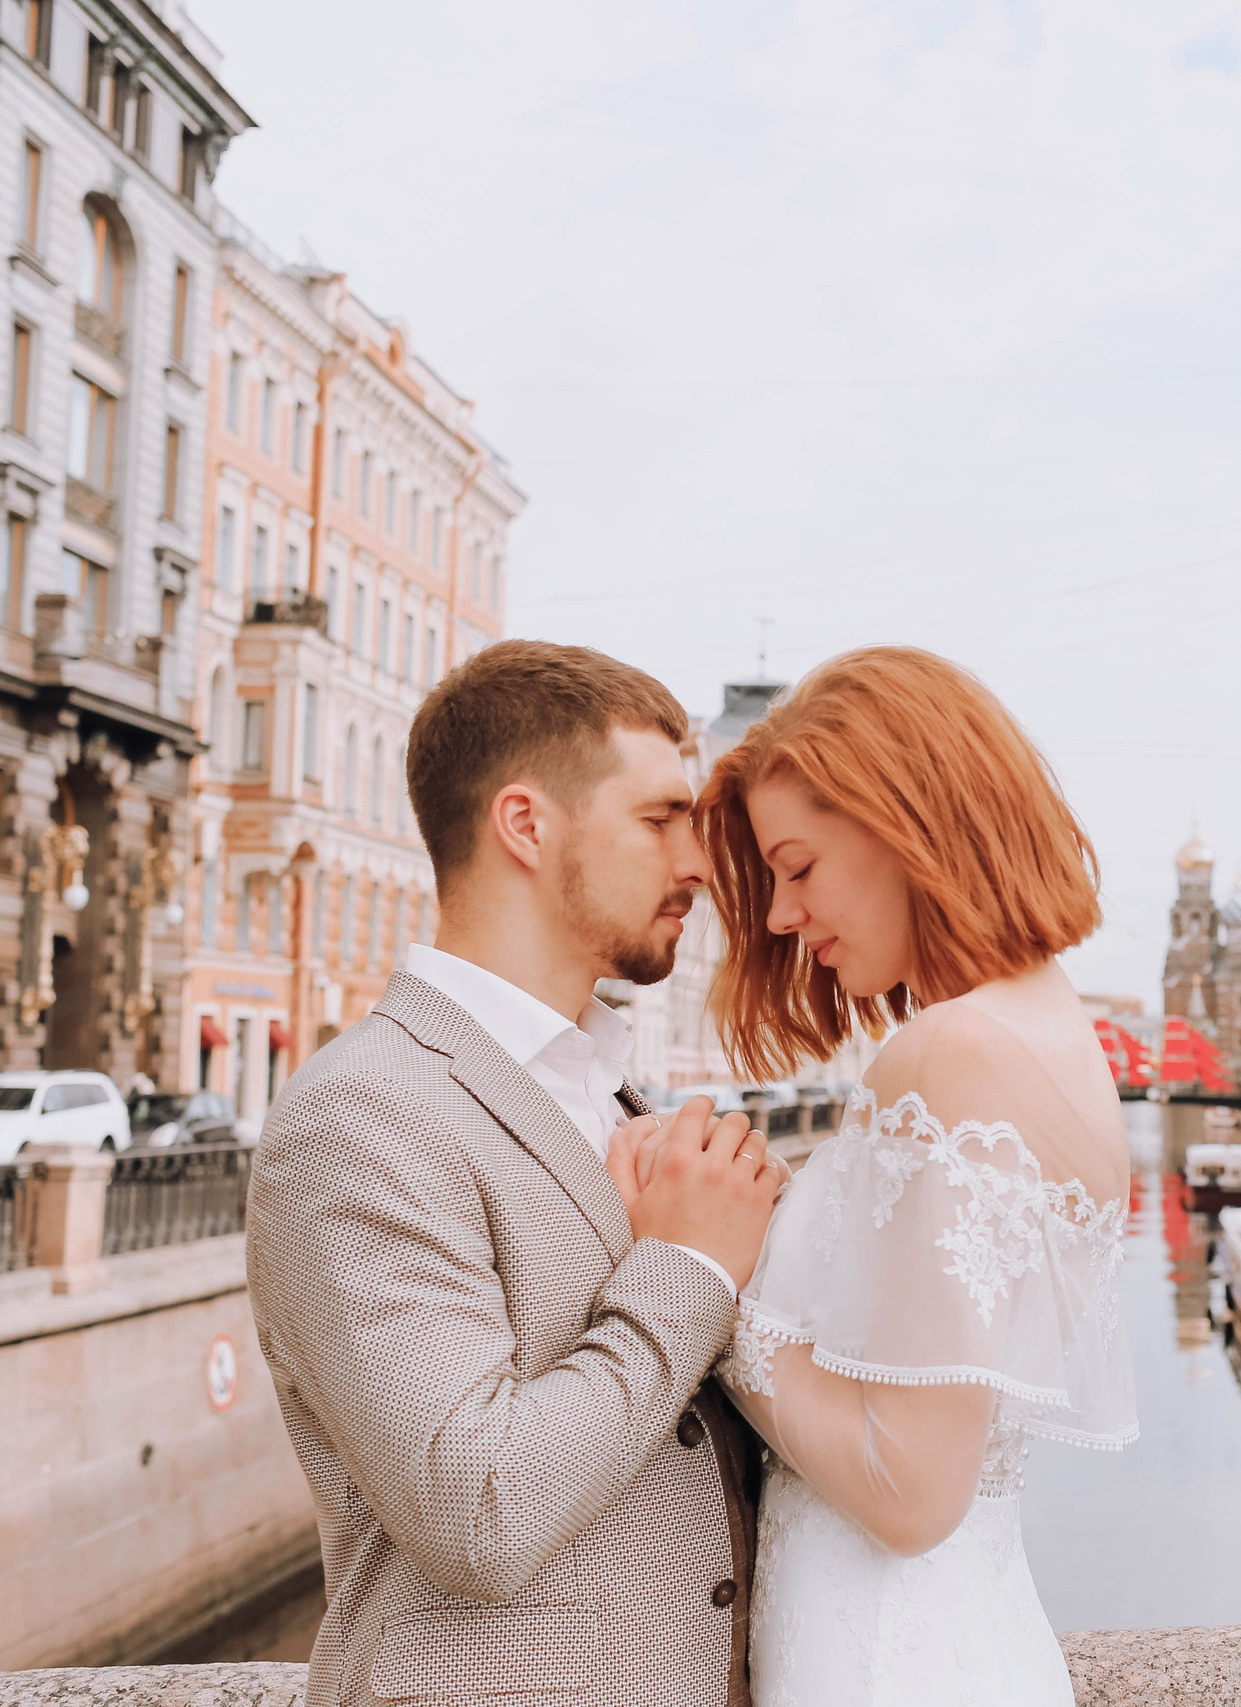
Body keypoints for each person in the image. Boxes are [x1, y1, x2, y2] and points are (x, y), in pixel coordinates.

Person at [245, 642, 785, 1707]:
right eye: (660, 819)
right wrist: (685, 1266)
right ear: (525, 824)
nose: (700, 865)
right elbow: (476, 1507)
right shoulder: (361, 1114)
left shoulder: (611, 1094)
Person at [696, 646, 1137, 1707]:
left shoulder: (948, 1053)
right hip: (953, 1636)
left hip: (881, 1659)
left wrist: (712, 1286)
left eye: (797, 868)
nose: (779, 918)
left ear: (908, 822)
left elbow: (908, 1490)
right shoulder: (1049, 1031)